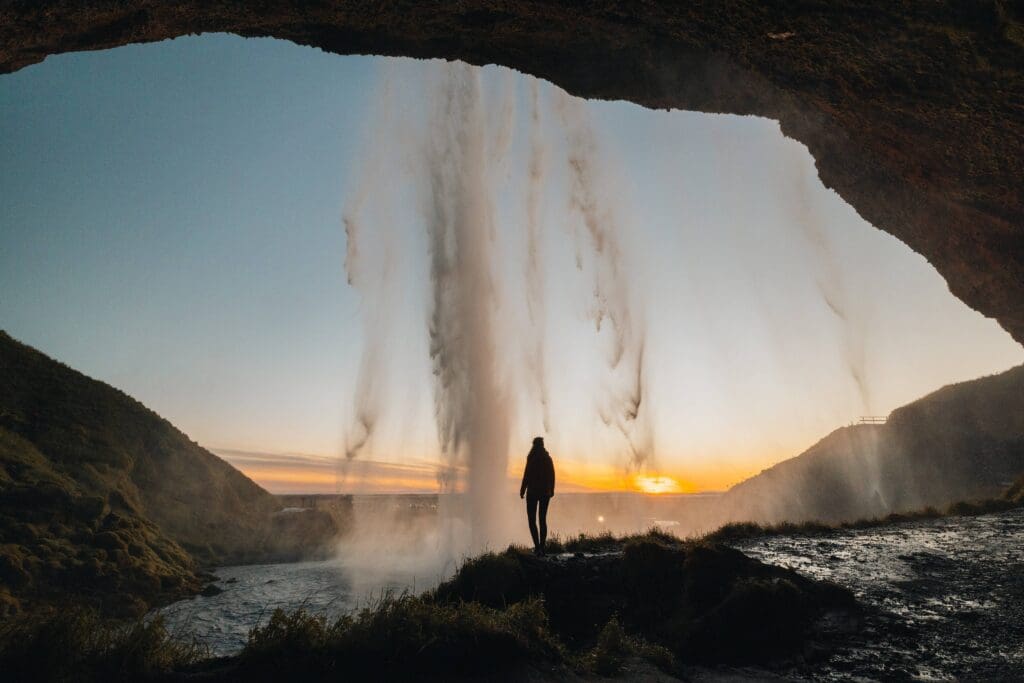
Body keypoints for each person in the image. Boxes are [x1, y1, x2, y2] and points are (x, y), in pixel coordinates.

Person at [519, 436, 555, 555]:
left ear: (534, 445)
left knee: (532, 520)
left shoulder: (531, 458)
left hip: (533, 492)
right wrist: (552, 490)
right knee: (542, 519)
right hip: (545, 493)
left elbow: (526, 474)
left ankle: (537, 547)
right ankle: (542, 547)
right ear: (542, 445)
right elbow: (552, 475)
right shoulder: (547, 458)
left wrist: (522, 489)